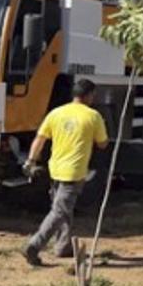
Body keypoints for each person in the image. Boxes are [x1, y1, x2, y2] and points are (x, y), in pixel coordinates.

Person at [22, 78, 109, 266]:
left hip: (56, 169)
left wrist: (30, 161)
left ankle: (63, 246)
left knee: (64, 209)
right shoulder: (93, 116)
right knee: (59, 211)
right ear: (89, 96)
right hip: (74, 172)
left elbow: (40, 138)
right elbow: (102, 143)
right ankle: (34, 245)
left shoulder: (56, 113)